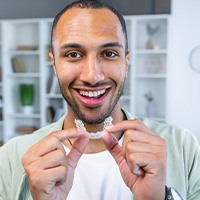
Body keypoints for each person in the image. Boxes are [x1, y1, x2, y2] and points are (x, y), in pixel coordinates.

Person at [0, 0, 200, 199]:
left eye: (109, 53)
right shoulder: (12, 156)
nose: (92, 76)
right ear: (54, 63)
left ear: (126, 62)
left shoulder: (182, 146)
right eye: (74, 54)